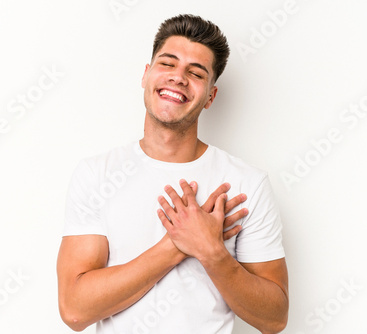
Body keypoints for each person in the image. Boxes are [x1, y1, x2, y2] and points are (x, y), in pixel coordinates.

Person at [57, 14, 288, 334]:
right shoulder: (97, 174)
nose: (178, 77)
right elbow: (75, 310)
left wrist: (212, 253)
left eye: (195, 73)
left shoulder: (247, 184)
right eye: (168, 64)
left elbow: (274, 318)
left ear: (210, 97)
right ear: (146, 75)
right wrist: (177, 245)